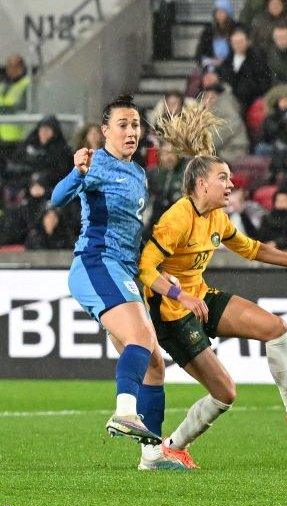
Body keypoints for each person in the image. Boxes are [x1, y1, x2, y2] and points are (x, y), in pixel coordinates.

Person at [140, 101, 287, 469]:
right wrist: (180, 294)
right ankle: (171, 446)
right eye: (224, 178)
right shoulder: (176, 219)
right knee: (225, 392)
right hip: (172, 314)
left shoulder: (217, 217)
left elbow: (251, 248)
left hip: (199, 298)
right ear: (202, 184)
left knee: (275, 328)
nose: (231, 184)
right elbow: (145, 269)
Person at [50, 96, 166, 447]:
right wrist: (76, 173)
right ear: (105, 131)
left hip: (123, 271)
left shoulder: (138, 173)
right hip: (96, 262)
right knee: (141, 339)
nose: (131, 131)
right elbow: (57, 199)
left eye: (135, 125)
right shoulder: (96, 163)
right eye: (123, 125)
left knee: (155, 365)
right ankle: (125, 412)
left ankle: (153, 452)